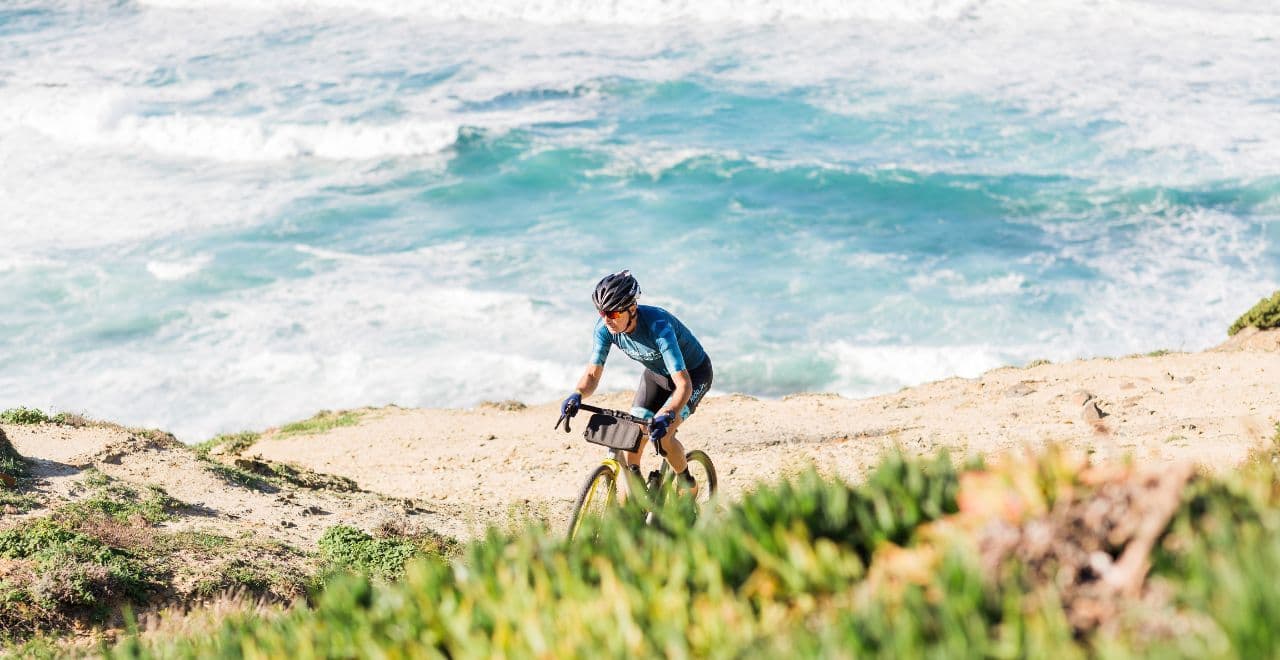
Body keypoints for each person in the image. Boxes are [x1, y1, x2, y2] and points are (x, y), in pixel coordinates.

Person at [561, 270, 713, 496]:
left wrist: (668, 414)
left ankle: (687, 483)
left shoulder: (658, 327)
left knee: (663, 434)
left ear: (632, 309)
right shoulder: (606, 329)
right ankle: (639, 493)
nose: (606, 319)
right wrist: (577, 394)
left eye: (612, 313)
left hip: (692, 375)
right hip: (657, 376)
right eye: (602, 312)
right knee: (635, 433)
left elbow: (683, 385)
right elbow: (592, 375)